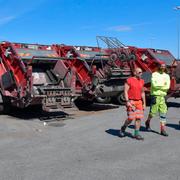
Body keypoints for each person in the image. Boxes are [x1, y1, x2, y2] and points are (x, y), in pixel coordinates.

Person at [119, 68, 146, 140]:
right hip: (131, 101)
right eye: (139, 72)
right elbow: (125, 91)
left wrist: (144, 103)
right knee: (131, 118)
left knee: (138, 118)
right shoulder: (129, 80)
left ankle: (136, 134)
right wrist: (127, 101)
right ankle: (123, 128)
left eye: (141, 72)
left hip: (139, 102)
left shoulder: (142, 81)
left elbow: (143, 92)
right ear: (135, 73)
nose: (141, 74)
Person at [145, 62, 170, 136]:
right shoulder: (154, 74)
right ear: (159, 66)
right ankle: (148, 122)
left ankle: (162, 129)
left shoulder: (167, 76)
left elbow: (167, 87)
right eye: (161, 66)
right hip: (155, 96)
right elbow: (154, 85)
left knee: (163, 112)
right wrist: (163, 86)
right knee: (153, 113)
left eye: (164, 66)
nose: (163, 67)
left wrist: (161, 87)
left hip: (163, 96)